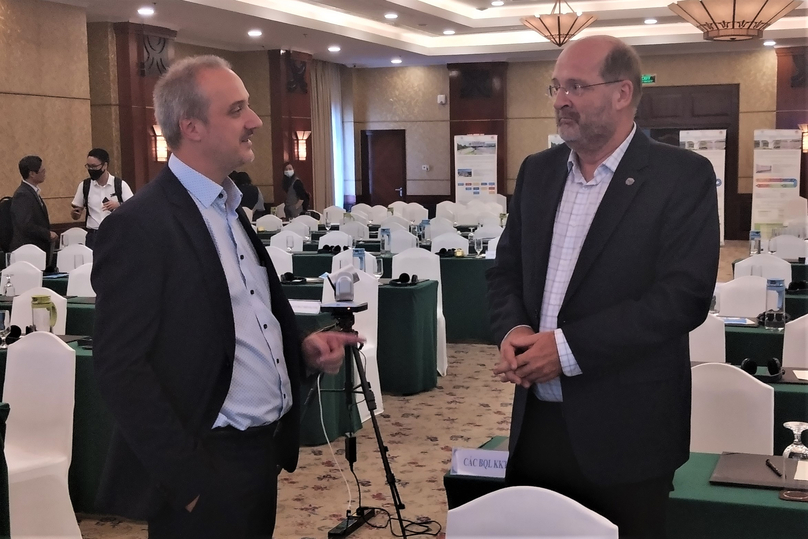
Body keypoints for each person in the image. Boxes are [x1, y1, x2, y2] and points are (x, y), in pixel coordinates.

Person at [91, 55, 361, 538]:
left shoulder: (230, 208)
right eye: (238, 110)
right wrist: (187, 482)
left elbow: (237, 319)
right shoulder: (141, 227)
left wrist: (299, 349)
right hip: (204, 467)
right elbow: (119, 367)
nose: (255, 121)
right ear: (191, 126)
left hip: (259, 457)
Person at [486, 35, 719, 538]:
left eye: (575, 87)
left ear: (622, 93)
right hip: (537, 425)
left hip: (629, 433)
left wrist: (566, 350)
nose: (559, 100)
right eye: (555, 87)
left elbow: (682, 297)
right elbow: (504, 271)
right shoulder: (538, 172)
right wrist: (514, 330)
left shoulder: (682, 176)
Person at [70, 148, 134, 248]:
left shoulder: (120, 185)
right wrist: (75, 213)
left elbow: (133, 208)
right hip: (93, 235)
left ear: (105, 165)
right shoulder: (84, 186)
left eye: (94, 166)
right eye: (88, 166)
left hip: (115, 234)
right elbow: (76, 214)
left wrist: (119, 204)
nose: (91, 170)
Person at [10, 155, 57, 261]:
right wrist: (47, 234)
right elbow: (25, 224)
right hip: (28, 250)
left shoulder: (32, 192)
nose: (45, 173)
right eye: (42, 171)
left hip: (36, 249)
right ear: (32, 174)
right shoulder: (23, 194)